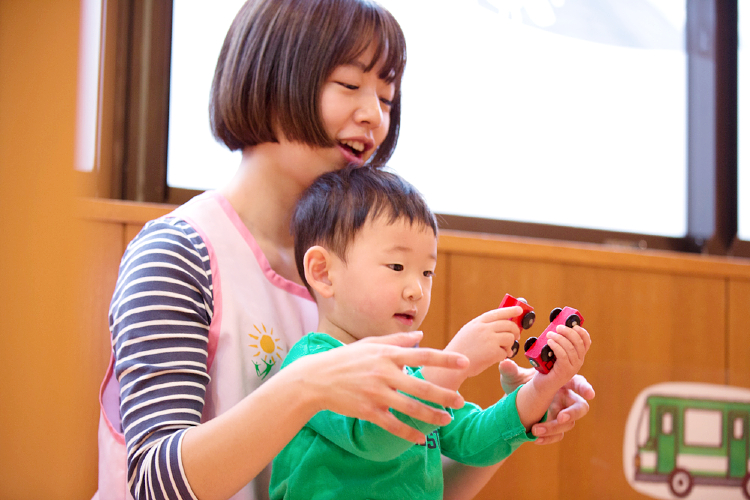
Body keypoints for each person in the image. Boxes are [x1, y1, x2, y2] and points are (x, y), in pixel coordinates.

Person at [94, 1, 595, 500]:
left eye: (388, 96)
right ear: (271, 78)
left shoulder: (366, 270)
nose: (373, 115)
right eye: (351, 86)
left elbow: (395, 482)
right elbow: (153, 484)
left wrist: (524, 411)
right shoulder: (178, 255)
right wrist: (308, 385)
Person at [268, 166, 592, 499]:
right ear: (323, 272)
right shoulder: (313, 365)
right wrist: (457, 361)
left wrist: (542, 386)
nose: (417, 290)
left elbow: (476, 440)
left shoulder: (412, 373)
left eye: (427, 272)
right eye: (397, 267)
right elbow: (377, 437)